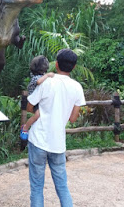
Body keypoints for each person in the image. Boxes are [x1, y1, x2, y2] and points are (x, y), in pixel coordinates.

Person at [26, 49, 86, 207]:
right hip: (58, 144)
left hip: (38, 140)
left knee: (37, 187)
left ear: (57, 64)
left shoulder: (47, 82)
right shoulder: (77, 87)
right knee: (62, 186)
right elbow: (73, 119)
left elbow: (29, 105)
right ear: (73, 67)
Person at [20, 55, 54, 143]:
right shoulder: (37, 77)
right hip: (33, 101)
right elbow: (39, 82)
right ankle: (25, 127)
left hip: (39, 101)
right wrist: (47, 75)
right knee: (37, 115)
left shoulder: (40, 76)